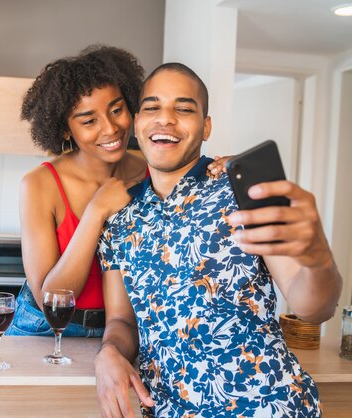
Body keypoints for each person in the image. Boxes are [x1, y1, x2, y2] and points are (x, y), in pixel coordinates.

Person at [94, 63, 342, 417]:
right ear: (136, 122)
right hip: (169, 410)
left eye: (183, 108)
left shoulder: (244, 191)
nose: (165, 119)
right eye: (152, 107)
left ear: (206, 126)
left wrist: (318, 260)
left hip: (268, 406)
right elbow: (122, 322)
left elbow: (313, 308)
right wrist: (109, 352)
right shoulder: (119, 220)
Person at [6, 46, 228, 337]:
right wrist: (96, 211)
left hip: (124, 331)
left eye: (116, 110)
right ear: (64, 130)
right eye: (89, 121)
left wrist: (226, 167)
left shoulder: (153, 167)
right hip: (45, 329)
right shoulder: (40, 184)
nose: (110, 128)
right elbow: (50, 301)